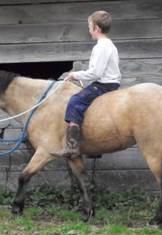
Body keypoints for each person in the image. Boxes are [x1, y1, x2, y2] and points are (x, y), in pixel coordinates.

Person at [52, 10, 121, 159]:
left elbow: (95, 73)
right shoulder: (110, 45)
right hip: (112, 84)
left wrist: (74, 75)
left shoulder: (100, 47)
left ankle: (72, 146)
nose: (89, 29)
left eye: (89, 26)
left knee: (75, 101)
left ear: (96, 28)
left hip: (103, 85)